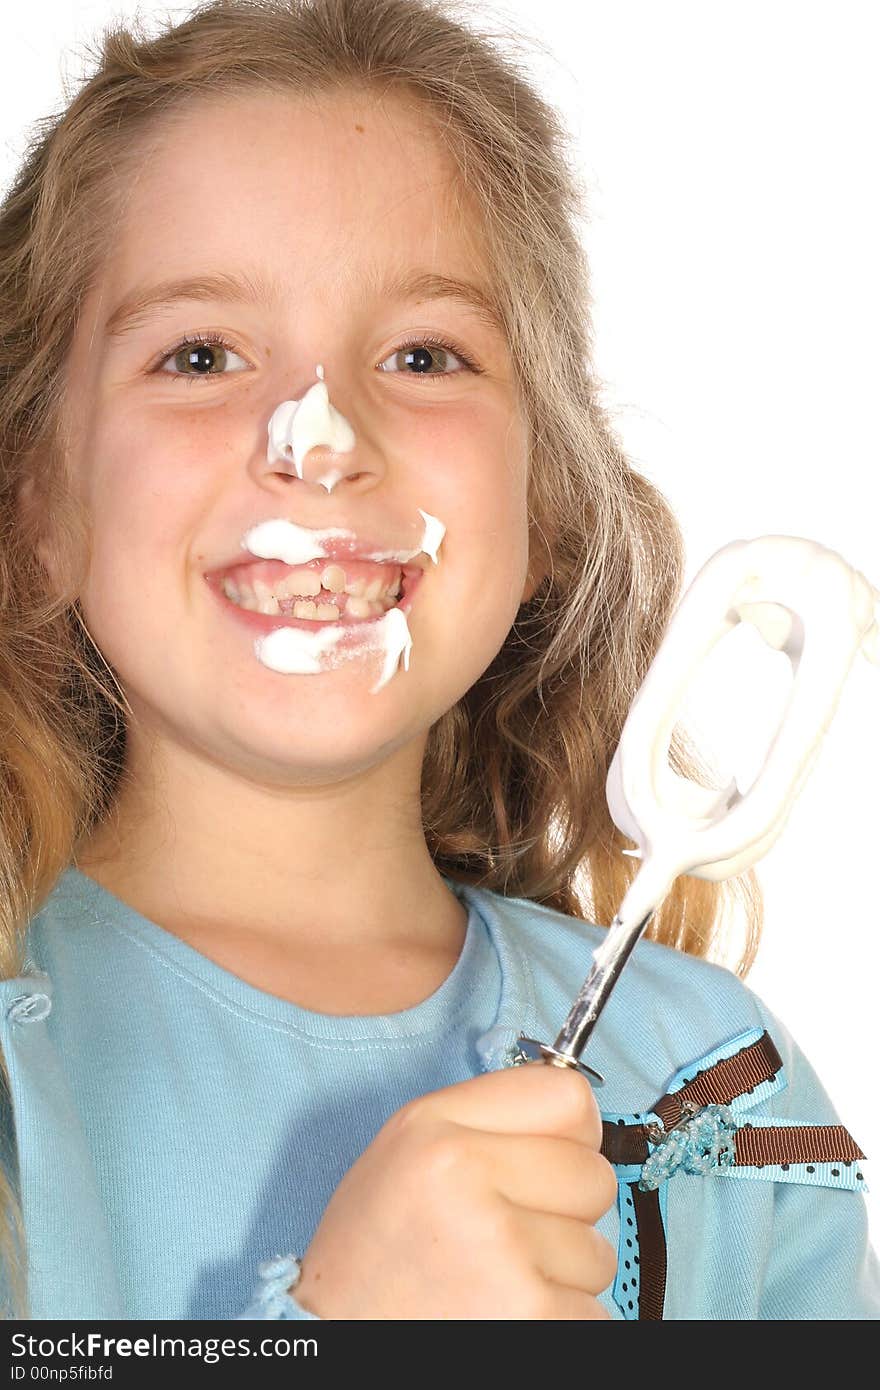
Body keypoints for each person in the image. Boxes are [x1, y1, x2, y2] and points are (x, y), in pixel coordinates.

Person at [0, 0, 876, 1322]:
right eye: (199, 353)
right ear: (40, 510)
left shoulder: (705, 1086)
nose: (321, 433)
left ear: (545, 512)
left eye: (423, 353)